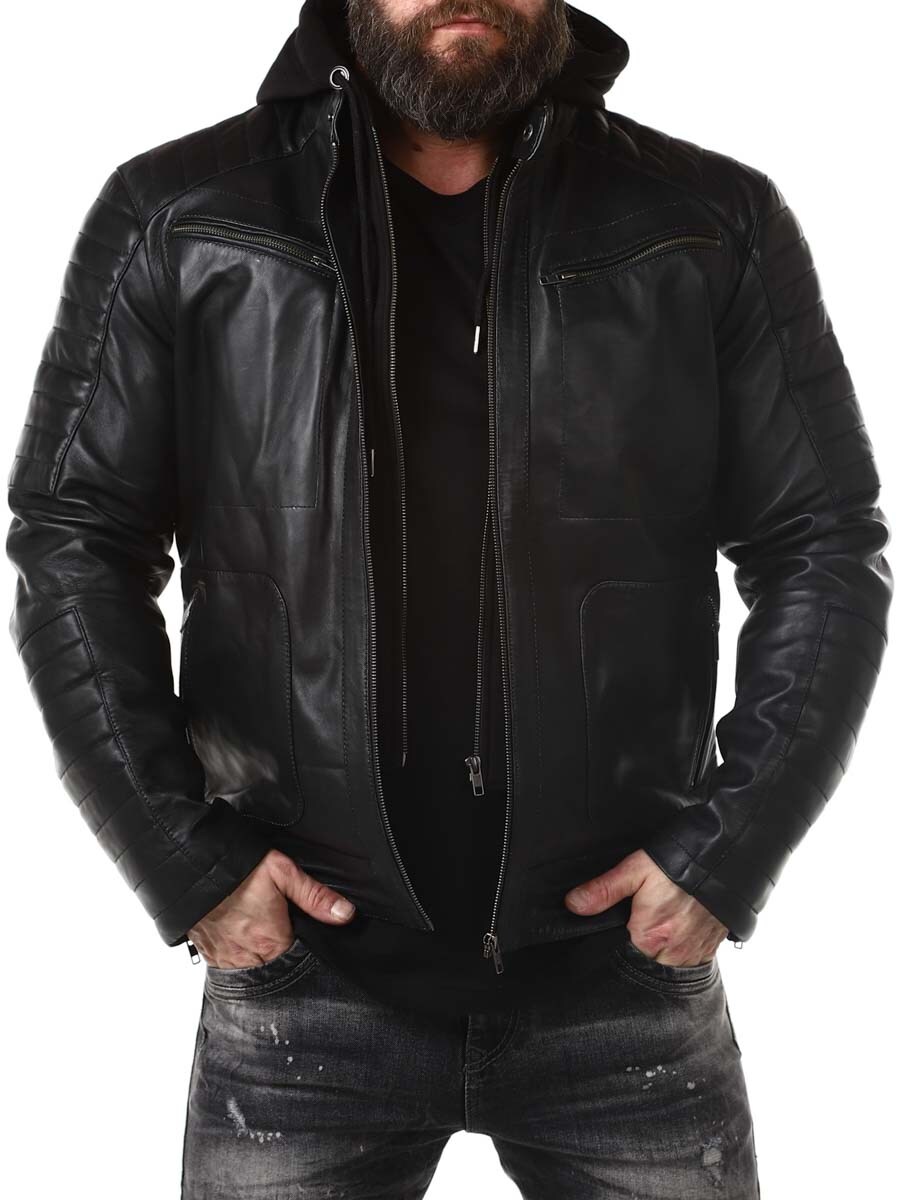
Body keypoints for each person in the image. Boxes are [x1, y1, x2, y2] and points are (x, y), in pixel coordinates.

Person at [6, 1, 892, 1195]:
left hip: (623, 977)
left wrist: (724, 857)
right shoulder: (179, 212)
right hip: (306, 985)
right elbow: (74, 539)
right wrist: (189, 866)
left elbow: (822, 543)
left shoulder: (708, 221)